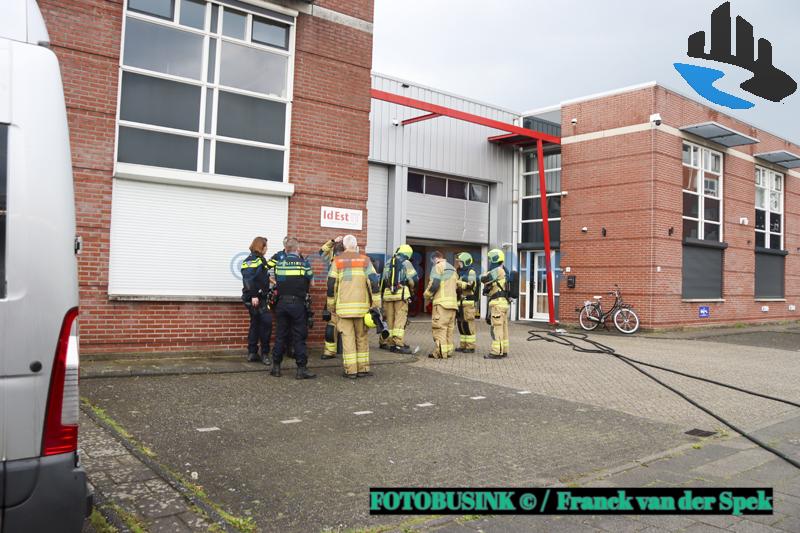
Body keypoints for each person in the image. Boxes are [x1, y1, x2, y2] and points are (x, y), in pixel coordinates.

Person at [327, 235, 381, 378]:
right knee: (362, 337)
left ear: (344, 247)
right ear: (356, 246)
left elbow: (331, 284)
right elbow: (374, 282)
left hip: (343, 309)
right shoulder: (365, 260)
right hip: (362, 309)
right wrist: (376, 304)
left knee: (347, 339)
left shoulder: (337, 261)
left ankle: (351, 371)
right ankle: (363, 369)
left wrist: (331, 305)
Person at [270, 237, 316, 379]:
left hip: (281, 304)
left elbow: (277, 281)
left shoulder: (279, 264)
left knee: (280, 336)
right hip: (297, 304)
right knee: (299, 337)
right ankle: (301, 370)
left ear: (286, 249)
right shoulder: (304, 264)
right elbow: (312, 283)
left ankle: (276, 368)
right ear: (297, 249)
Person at [379, 244, 418, 354]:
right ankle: (398, 344)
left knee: (389, 320)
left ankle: (387, 341)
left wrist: (381, 295)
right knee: (400, 319)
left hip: (387, 295)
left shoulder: (388, 262)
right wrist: (413, 291)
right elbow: (414, 279)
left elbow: (382, 281)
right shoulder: (406, 263)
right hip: (400, 295)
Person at [241, 236, 273, 364]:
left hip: (258, 297)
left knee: (255, 324)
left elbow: (262, 275)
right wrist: (254, 295)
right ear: (262, 247)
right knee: (266, 325)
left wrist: (272, 281)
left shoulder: (259, 259)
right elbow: (248, 279)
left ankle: (252, 353)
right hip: (257, 298)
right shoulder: (252, 260)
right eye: (266, 247)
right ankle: (264, 354)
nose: (267, 249)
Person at [423, 251, 458, 359]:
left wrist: (426, 295)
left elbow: (434, 284)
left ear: (435, 259)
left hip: (441, 304)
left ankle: (440, 352)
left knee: (440, 328)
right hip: (453, 305)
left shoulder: (437, 267)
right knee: (449, 329)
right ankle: (448, 351)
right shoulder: (452, 268)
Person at [481, 248, 509, 359]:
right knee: (503, 328)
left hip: (497, 304)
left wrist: (483, 275)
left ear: (494, 259)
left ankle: (496, 352)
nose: (489, 261)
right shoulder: (504, 271)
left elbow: (484, 279)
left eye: (490, 259)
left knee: (496, 328)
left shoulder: (497, 270)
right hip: (503, 303)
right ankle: (504, 350)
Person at [319, 236, 344, 359]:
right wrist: (333, 241)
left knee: (332, 324)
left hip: (336, 295)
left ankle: (330, 351)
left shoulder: (332, 260)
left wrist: (333, 242)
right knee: (336, 324)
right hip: (342, 295)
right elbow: (321, 252)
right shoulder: (353, 258)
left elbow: (321, 252)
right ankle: (345, 350)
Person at [455, 252, 478, 353]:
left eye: (460, 262)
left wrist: (458, 283)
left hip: (468, 302)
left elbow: (470, 285)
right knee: (461, 325)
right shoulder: (459, 272)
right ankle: (463, 345)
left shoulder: (471, 272)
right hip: (460, 302)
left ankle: (470, 346)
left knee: (468, 325)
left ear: (466, 262)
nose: (459, 264)